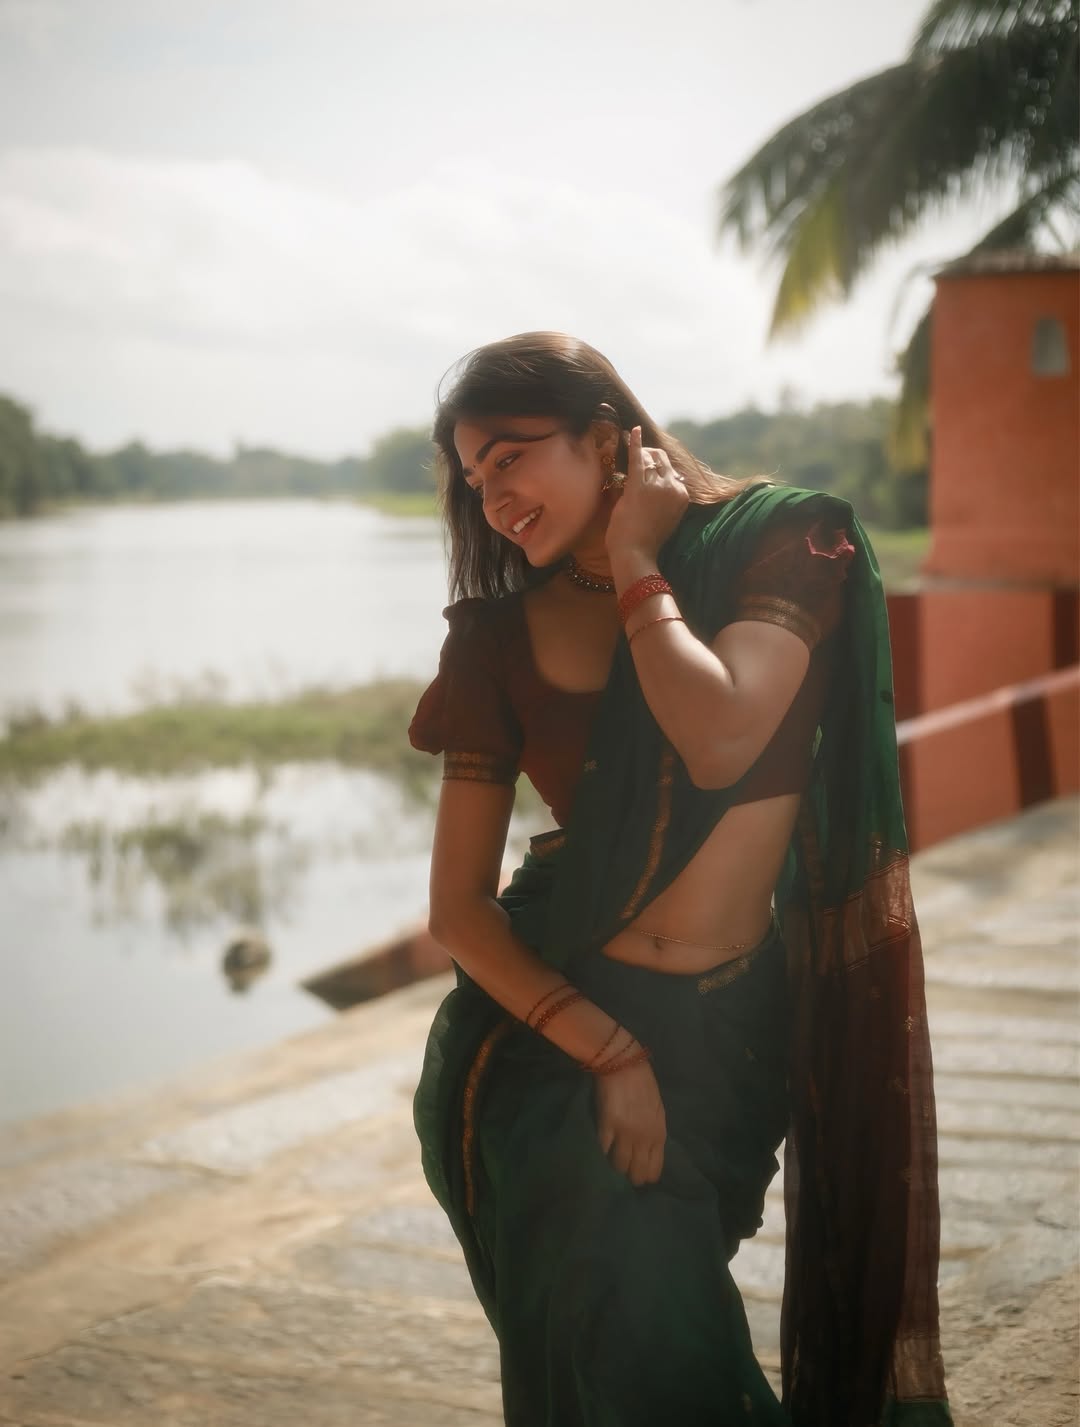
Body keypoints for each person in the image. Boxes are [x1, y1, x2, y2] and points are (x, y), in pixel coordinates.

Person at [408, 332, 951, 1427]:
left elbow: (720, 738)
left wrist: (641, 565)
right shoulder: (498, 639)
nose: (495, 494)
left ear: (606, 435)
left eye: (511, 455)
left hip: (728, 1041)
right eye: (475, 476)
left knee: (644, 1357)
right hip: (552, 1045)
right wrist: (610, 1051)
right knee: (659, 1367)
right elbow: (457, 910)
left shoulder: (785, 543)